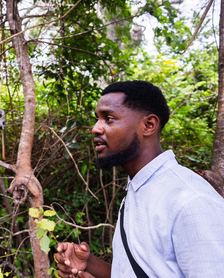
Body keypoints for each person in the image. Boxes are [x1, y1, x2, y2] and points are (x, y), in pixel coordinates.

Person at [55, 81, 224, 278]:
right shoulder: (138, 189)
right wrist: (89, 263)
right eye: (97, 119)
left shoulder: (191, 201)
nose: (95, 129)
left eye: (108, 119)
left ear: (148, 125)